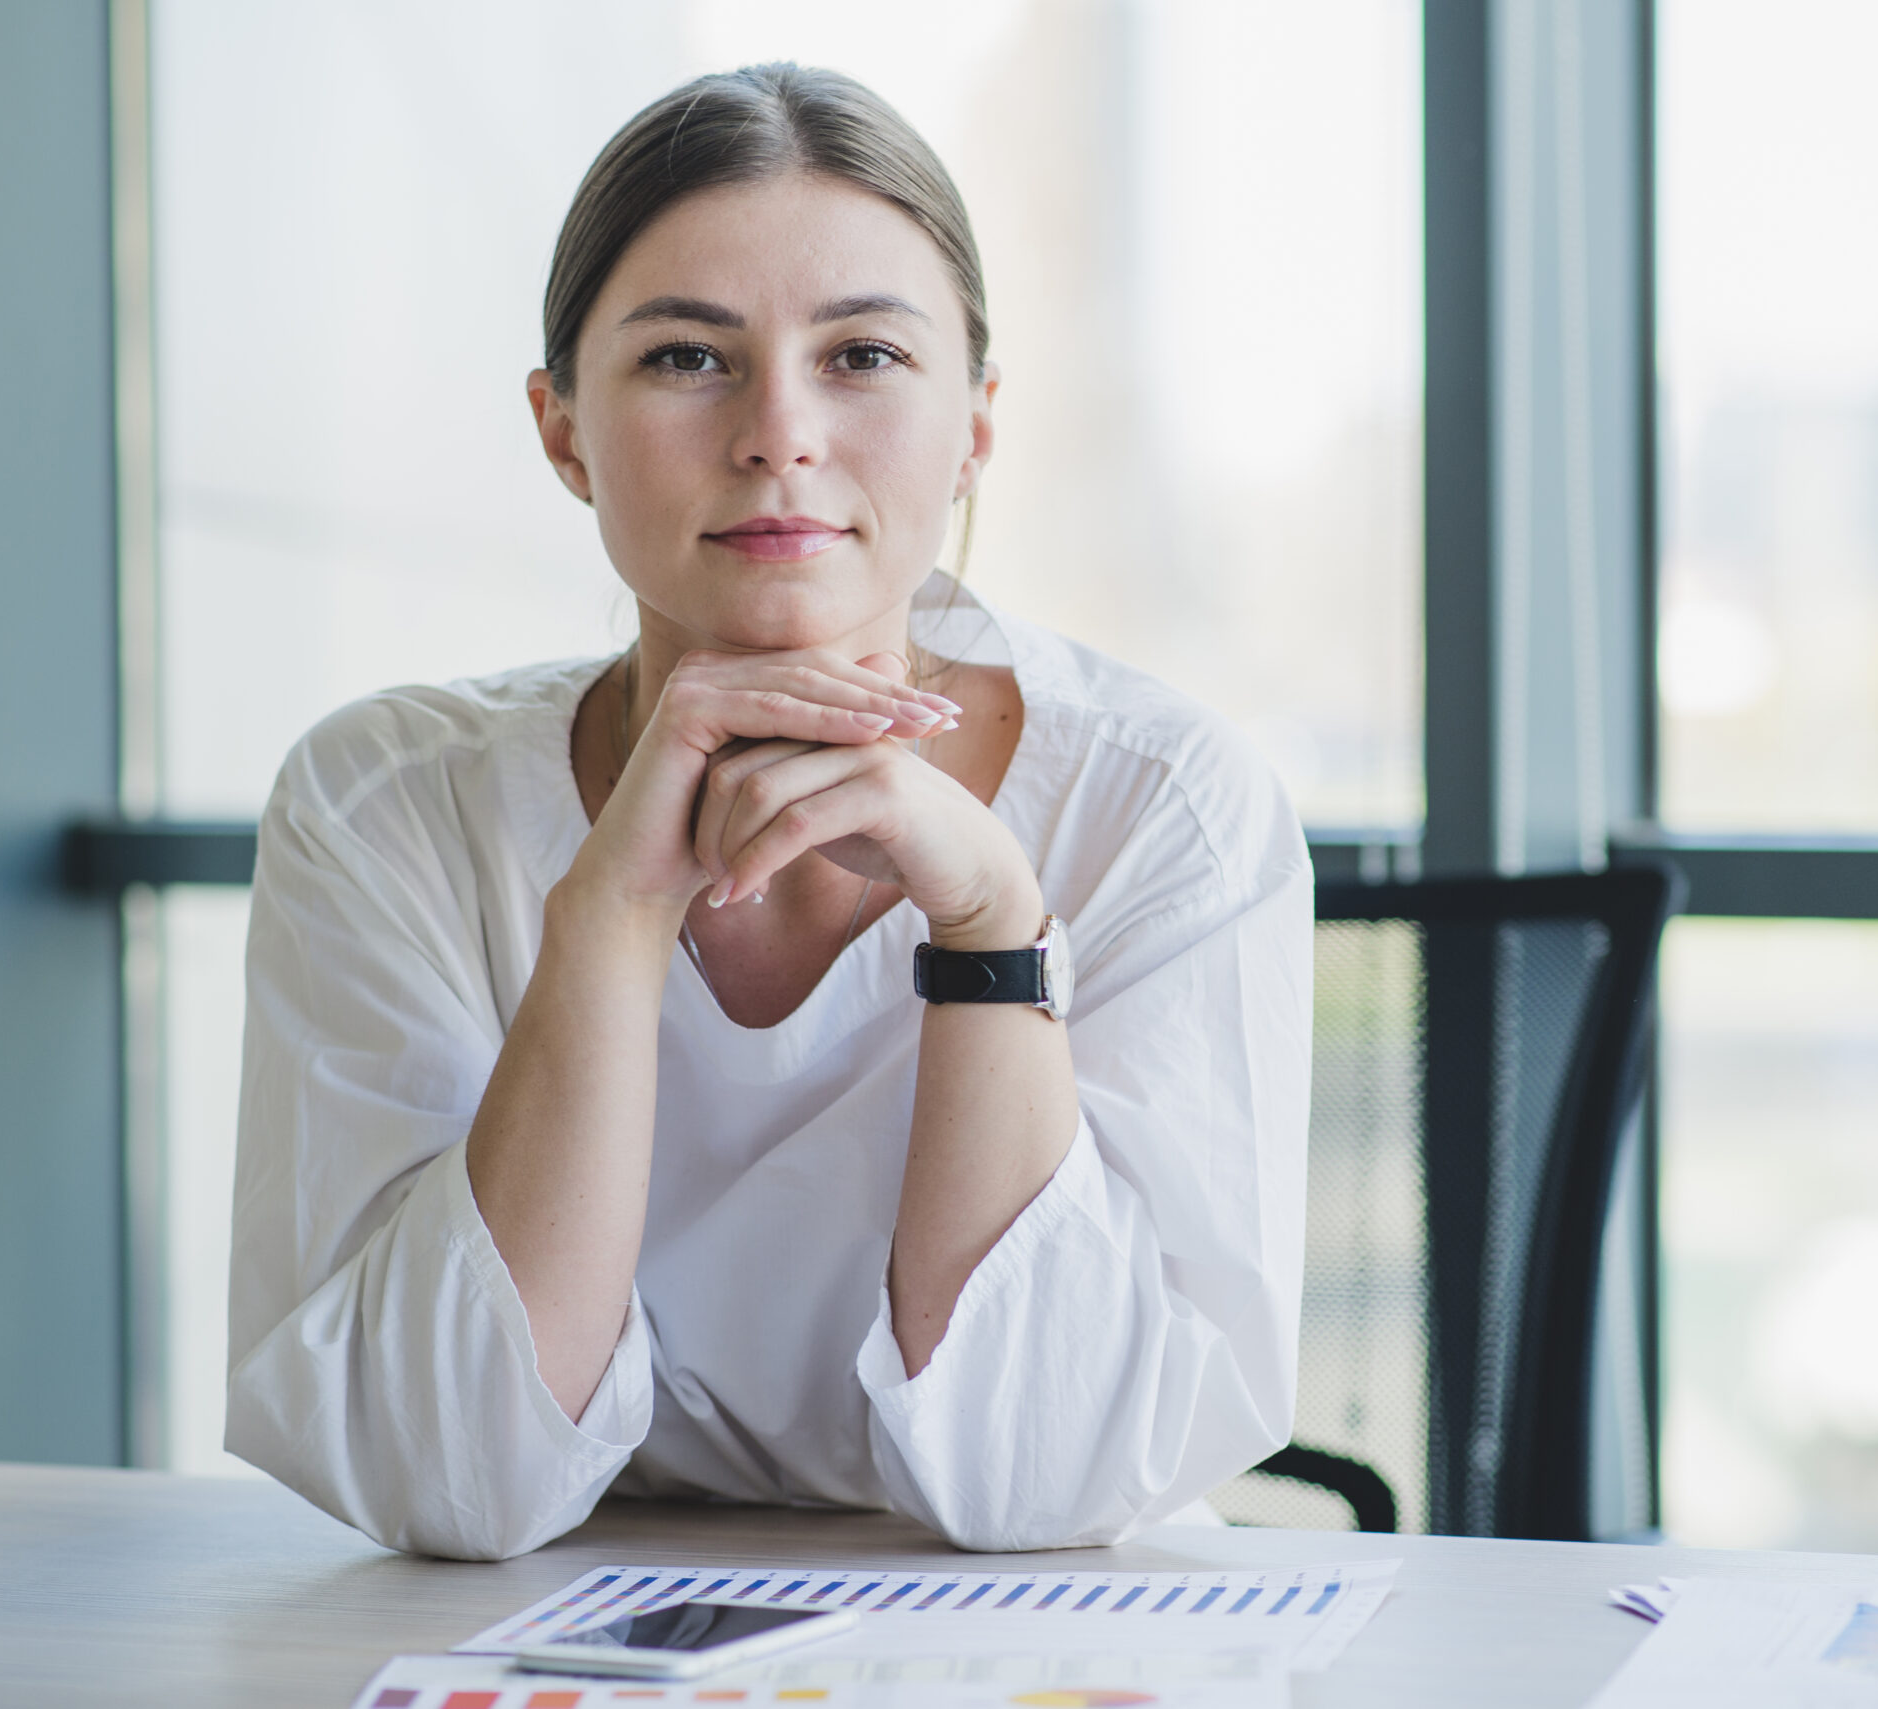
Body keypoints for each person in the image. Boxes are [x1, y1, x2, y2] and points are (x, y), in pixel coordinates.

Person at [223, 63, 1312, 1560]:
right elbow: (445, 1479)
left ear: (976, 427)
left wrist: (991, 923)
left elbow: (1050, 1480)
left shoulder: (1168, 805)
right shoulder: (384, 807)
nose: (778, 432)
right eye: (686, 357)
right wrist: (610, 912)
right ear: (561, 431)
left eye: (862, 355)